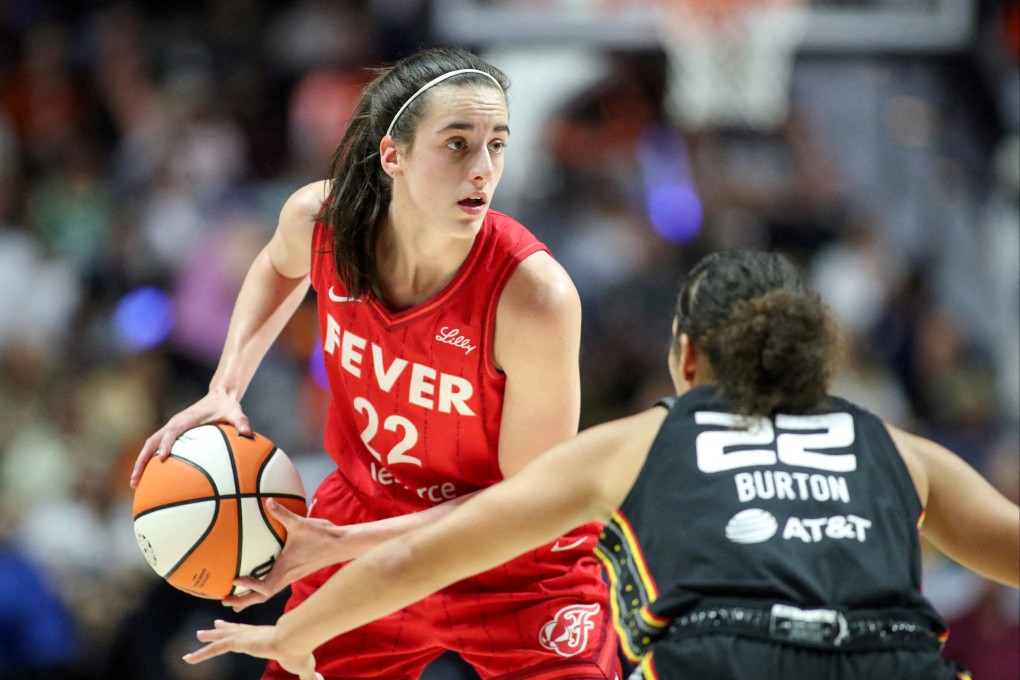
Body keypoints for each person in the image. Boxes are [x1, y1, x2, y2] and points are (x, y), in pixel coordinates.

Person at [182, 250, 1019, 680]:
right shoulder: (901, 453)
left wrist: (300, 633)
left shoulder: (635, 447)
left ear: (685, 359)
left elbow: (422, 558)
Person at [130, 47, 619, 680]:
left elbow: (528, 504)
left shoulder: (535, 297)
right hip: (370, 510)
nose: (484, 169)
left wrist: (336, 544)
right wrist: (226, 387)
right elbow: (280, 265)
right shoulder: (322, 221)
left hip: (510, 559)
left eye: (497, 144)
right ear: (393, 154)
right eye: (457, 144)